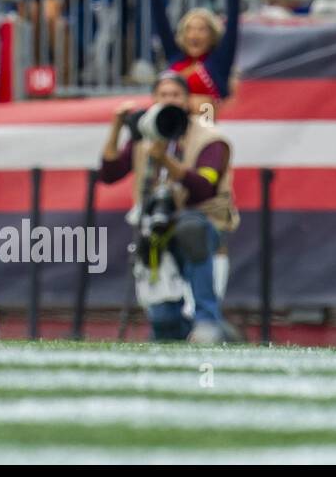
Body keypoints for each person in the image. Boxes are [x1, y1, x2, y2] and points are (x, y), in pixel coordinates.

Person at [99, 72, 238, 343]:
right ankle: (201, 333)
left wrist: (165, 161)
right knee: (163, 321)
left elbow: (203, 188)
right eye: (163, 95)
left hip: (203, 225)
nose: (169, 100)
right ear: (153, 101)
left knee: (191, 228)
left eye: (175, 95)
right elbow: (109, 173)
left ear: (187, 101)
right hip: (156, 229)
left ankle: (207, 320)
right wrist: (117, 128)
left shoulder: (210, 137)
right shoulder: (146, 133)